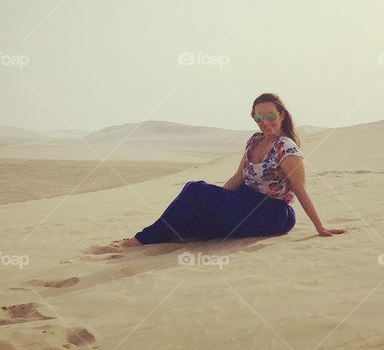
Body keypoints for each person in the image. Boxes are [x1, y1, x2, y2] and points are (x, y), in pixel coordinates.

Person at [118, 93, 346, 247]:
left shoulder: (286, 148)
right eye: (259, 118)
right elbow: (239, 177)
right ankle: (153, 238)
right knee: (198, 211)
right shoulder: (254, 141)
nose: (264, 122)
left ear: (282, 115)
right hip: (244, 202)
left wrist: (319, 227)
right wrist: (217, 201)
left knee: (194, 189)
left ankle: (142, 240)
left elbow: (300, 189)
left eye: (270, 116)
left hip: (273, 213)